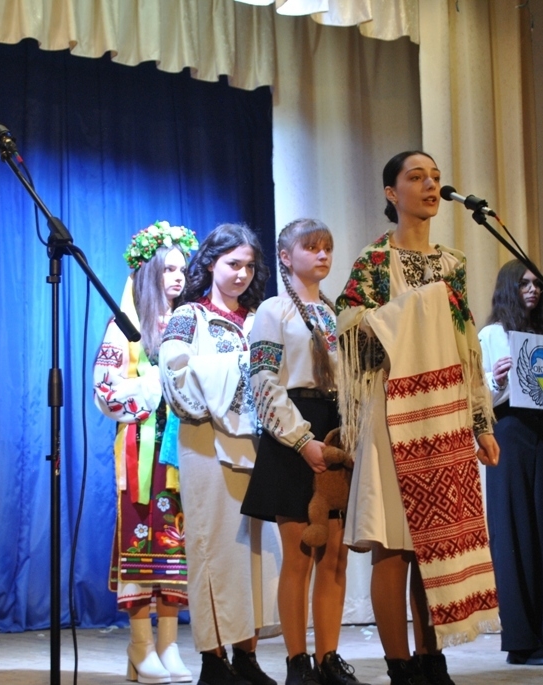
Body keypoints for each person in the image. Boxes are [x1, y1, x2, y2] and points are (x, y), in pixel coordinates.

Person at [334, 151, 501, 685]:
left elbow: (466, 343)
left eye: (435, 177)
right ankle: (399, 666)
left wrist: (481, 422)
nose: (430, 186)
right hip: (393, 412)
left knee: (439, 540)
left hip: (445, 413)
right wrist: (410, 311)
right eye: (416, 177)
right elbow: (348, 324)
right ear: (392, 192)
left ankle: (433, 658)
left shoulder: (453, 264)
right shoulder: (374, 261)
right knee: (394, 544)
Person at [241, 219, 363, 685]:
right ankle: (297, 661)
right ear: (286, 257)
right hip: (294, 430)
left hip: (334, 431)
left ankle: (329, 658)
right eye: (311, 247)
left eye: (327, 247)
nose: (323, 255)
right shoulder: (273, 311)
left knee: (335, 554)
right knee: (300, 555)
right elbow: (263, 381)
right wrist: (300, 439)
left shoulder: (338, 313)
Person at [159, 223, 281, 685]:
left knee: (253, 550)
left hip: (257, 446)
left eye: (249, 266)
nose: (242, 274)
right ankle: (213, 659)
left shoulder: (258, 320)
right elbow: (175, 379)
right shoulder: (189, 317)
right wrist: (240, 366)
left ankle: (246, 655)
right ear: (211, 263)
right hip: (206, 444)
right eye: (233, 264)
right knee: (213, 548)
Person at [94, 221, 199, 684]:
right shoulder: (126, 327)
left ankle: (169, 645)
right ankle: (140, 646)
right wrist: (153, 384)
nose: (177, 277)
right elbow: (104, 390)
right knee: (141, 540)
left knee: (176, 543)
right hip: (142, 452)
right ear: (149, 272)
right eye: (168, 269)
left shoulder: (188, 323)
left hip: (181, 452)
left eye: (182, 269)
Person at [477, 260, 543, 666]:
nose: (532, 290)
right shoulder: (491, 335)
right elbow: (475, 395)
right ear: (508, 289)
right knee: (513, 531)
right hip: (508, 433)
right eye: (523, 284)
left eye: (537, 284)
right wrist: (496, 380)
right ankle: (521, 641)